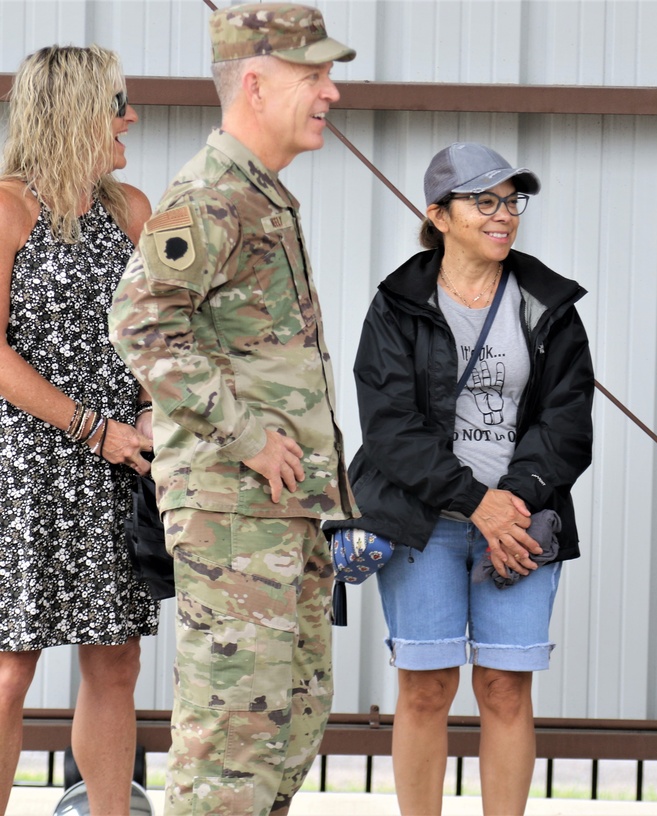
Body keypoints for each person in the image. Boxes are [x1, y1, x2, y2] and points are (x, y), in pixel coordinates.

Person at [108, 5, 357, 815]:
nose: (332, 93)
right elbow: (140, 322)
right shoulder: (212, 195)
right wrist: (247, 437)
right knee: (230, 751)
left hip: (283, 513)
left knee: (285, 730)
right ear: (256, 82)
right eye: (313, 76)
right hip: (234, 513)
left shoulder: (260, 194)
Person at [343, 142, 594, 814]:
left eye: (512, 200)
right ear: (439, 215)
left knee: (506, 687)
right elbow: (390, 428)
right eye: (485, 201)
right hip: (426, 523)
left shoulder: (548, 303)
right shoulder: (397, 305)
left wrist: (513, 502)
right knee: (426, 688)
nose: (504, 214)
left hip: (519, 525)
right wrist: (474, 503)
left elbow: (567, 424)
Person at [0, 45, 159, 815]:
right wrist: (96, 427)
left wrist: (155, 405)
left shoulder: (131, 209)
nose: (131, 115)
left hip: (114, 467)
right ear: (70, 111)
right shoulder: (5, 209)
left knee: (116, 662)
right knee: (7, 672)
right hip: (21, 468)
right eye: (117, 102)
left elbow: (165, 336)